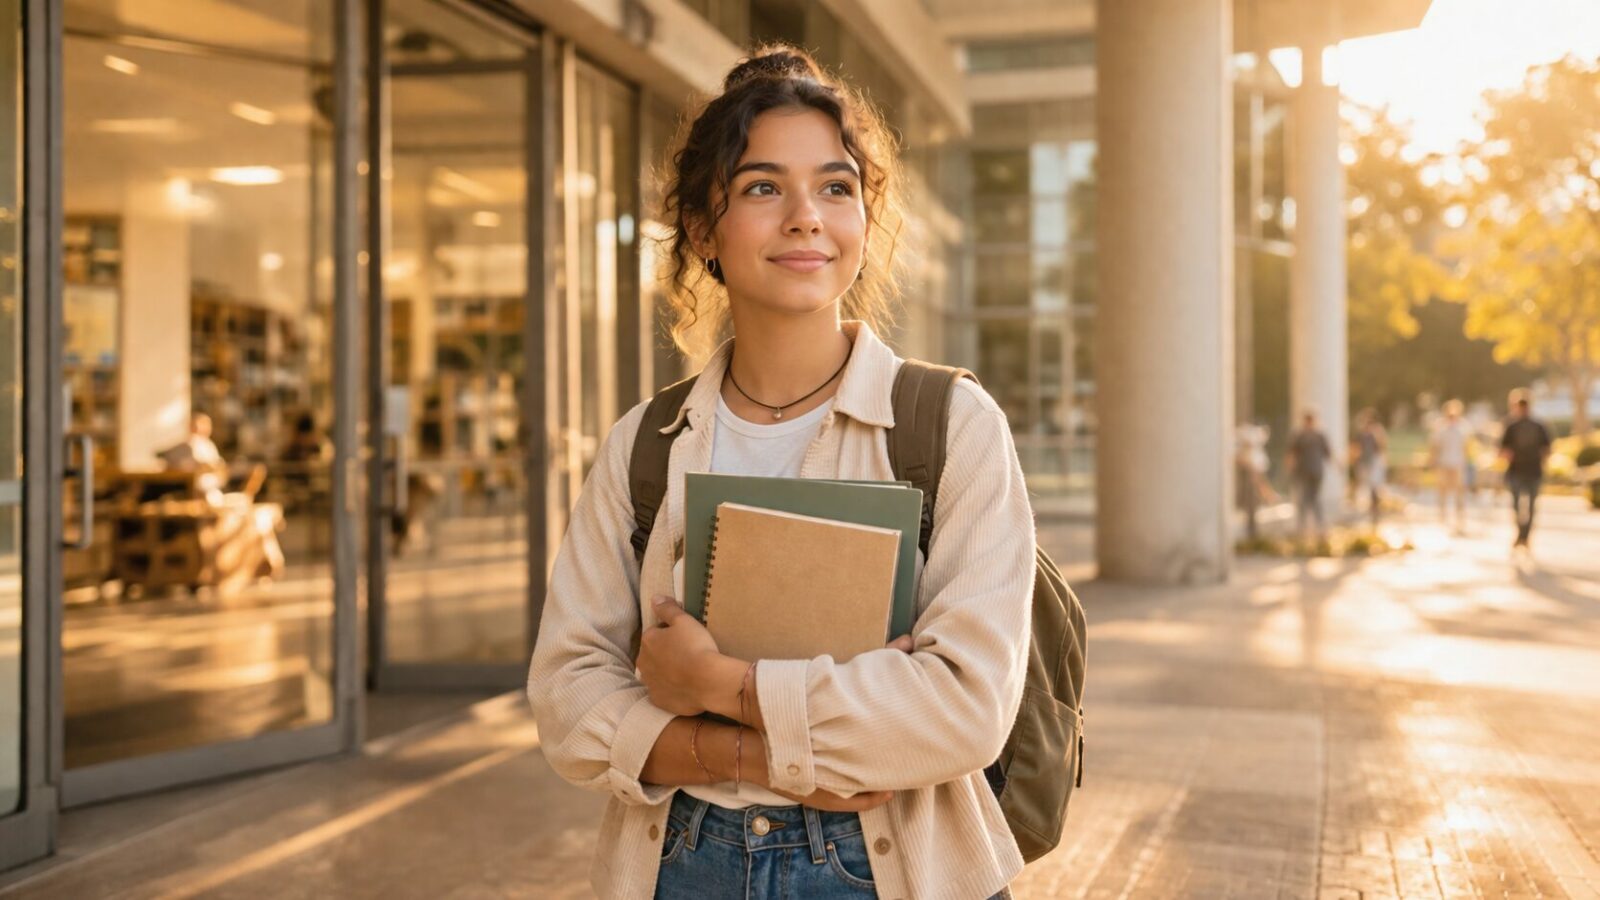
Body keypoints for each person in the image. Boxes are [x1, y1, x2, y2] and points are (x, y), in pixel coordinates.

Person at [525, 47, 1032, 900]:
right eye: (763, 188)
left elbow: (964, 708)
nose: (806, 217)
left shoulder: (948, 427)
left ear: (864, 222)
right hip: (680, 858)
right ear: (700, 230)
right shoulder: (646, 443)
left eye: (836, 188)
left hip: (892, 860)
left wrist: (718, 685)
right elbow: (567, 699)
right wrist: (756, 753)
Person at [1500, 389, 1552, 551]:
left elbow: (1547, 448)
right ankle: (1522, 534)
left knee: (1529, 506)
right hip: (1519, 471)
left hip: (1531, 471)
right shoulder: (1512, 426)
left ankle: (1524, 536)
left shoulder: (1537, 425)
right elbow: (1504, 449)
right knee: (1519, 506)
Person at [1286, 408, 1333, 544]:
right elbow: (1291, 453)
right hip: (1303, 472)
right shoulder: (1299, 435)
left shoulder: (1319, 435)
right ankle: (1303, 529)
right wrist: (1290, 466)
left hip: (1315, 472)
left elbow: (1328, 453)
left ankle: (1319, 529)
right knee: (1304, 500)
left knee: (1314, 499)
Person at [160, 412, 227, 502]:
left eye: (204, 425)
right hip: (185, 484)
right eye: (196, 425)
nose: (200, 429)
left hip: (207, 485)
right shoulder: (187, 445)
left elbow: (217, 466)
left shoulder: (208, 445)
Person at [1430, 399, 1471, 533]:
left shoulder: (1463, 428)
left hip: (1457, 463)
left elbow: (1466, 447)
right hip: (1444, 462)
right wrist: (1433, 460)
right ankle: (1443, 515)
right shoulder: (1441, 428)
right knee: (1443, 491)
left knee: (1459, 492)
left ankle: (1460, 518)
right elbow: (1435, 446)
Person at [1353, 408, 1388, 528]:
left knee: (1374, 487)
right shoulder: (1361, 434)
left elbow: (1382, 446)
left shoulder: (1377, 432)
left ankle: (1375, 510)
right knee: (1364, 486)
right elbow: (1357, 448)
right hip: (1364, 462)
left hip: (1374, 462)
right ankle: (1367, 509)